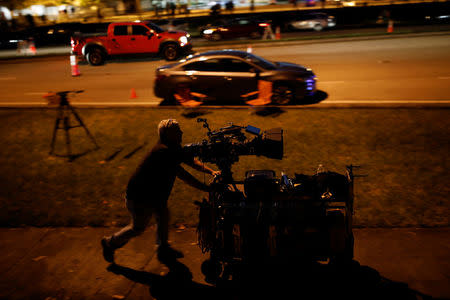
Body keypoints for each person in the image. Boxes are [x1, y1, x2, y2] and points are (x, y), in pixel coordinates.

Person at [101, 119, 219, 263]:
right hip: (140, 197)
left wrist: (211, 171)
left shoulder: (173, 148)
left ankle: (163, 249)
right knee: (138, 228)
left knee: (163, 215)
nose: (181, 132)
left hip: (154, 197)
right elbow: (183, 175)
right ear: (169, 135)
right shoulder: (163, 152)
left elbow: (191, 161)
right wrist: (205, 188)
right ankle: (109, 243)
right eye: (178, 131)